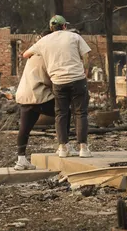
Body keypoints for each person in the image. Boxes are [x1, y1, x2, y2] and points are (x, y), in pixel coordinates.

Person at [23, 15, 92, 158]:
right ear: (64, 26)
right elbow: (86, 55)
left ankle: (62, 148)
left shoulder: (44, 41)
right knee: (81, 113)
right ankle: (83, 148)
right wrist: (85, 71)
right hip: (78, 79)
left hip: (58, 82)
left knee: (61, 114)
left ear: (51, 28)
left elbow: (25, 54)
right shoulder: (74, 37)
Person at [14, 30, 78, 170]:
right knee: (63, 112)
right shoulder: (48, 55)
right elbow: (54, 78)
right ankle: (64, 145)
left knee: (25, 129)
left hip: (25, 96)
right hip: (39, 95)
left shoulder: (33, 55)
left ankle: (21, 159)